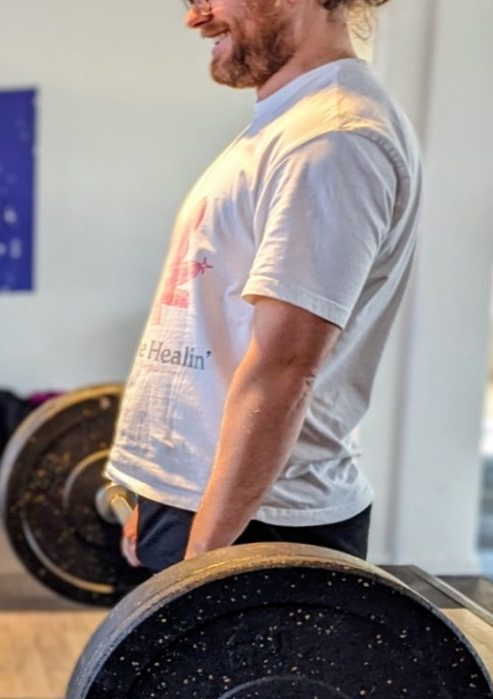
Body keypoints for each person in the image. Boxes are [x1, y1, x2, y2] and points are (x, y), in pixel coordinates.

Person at [107, 0, 421, 573]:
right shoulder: (291, 123)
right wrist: (160, 488)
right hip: (215, 509)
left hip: (257, 524)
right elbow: (213, 329)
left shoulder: (333, 139)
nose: (195, 18)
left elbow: (285, 368)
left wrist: (201, 564)